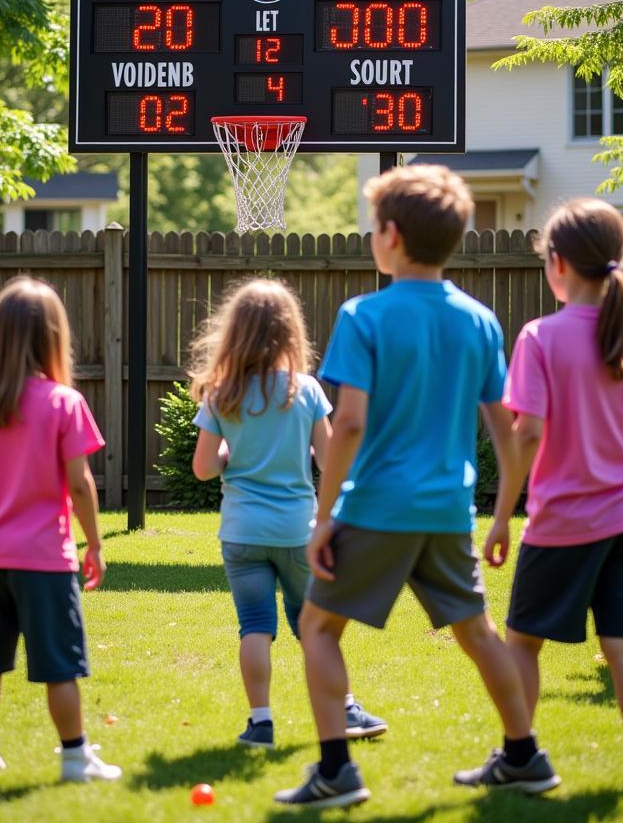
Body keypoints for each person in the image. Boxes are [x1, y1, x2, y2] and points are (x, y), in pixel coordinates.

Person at [275, 165, 559, 809]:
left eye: (374, 227)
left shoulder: (363, 315)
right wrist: (502, 515)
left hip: (376, 505)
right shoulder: (480, 320)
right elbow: (507, 430)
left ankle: (336, 772)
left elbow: (347, 424)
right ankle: (524, 754)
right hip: (447, 511)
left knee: (318, 628)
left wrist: (323, 519)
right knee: (478, 632)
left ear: (392, 236)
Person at [485, 198, 623, 791]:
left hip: (565, 522)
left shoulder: (540, 337)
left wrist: (502, 517)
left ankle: (518, 756)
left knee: (523, 642)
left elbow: (526, 433)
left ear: (557, 264)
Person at [0, 277, 120, 784]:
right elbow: (80, 484)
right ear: (53, 337)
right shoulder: (62, 402)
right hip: (44, 559)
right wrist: (96, 544)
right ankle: (76, 758)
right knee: (60, 664)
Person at [190, 278, 387, 750]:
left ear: (234, 332)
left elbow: (202, 468)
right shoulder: (307, 390)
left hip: (241, 532)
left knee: (255, 625)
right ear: (289, 332)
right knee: (314, 627)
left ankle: (261, 723)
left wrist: (226, 452)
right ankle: (347, 709)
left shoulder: (222, 393)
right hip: (297, 532)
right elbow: (326, 456)